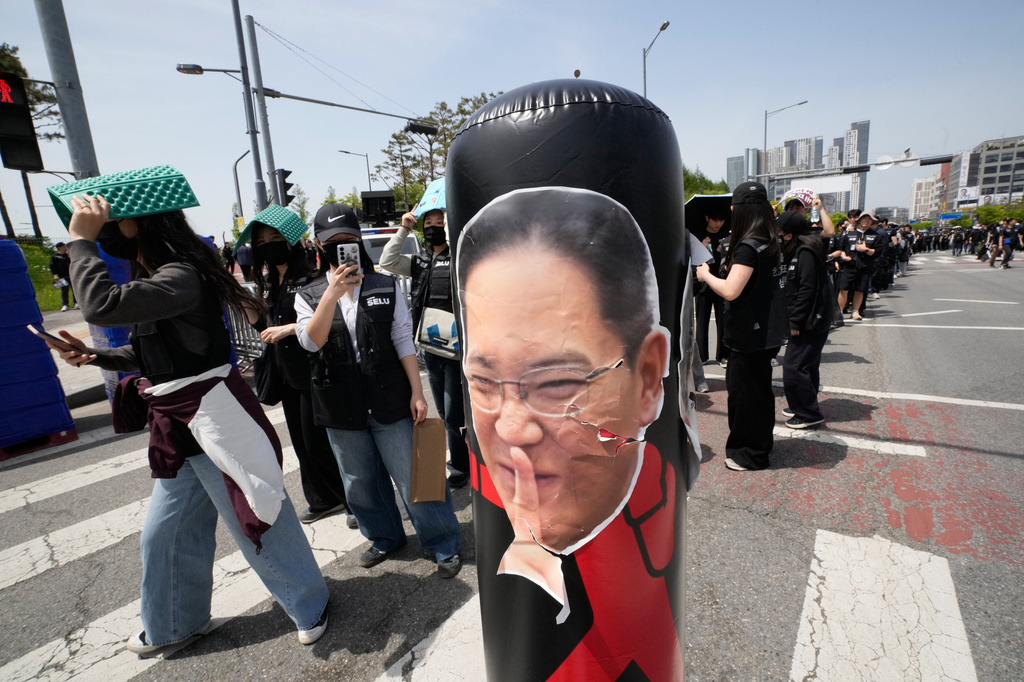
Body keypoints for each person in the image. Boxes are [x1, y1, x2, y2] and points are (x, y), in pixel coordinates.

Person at [44, 177, 329, 657]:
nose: (109, 228)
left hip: (215, 418)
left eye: (115, 220)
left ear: (142, 223)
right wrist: (94, 358)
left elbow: (99, 304)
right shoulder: (158, 279)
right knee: (165, 536)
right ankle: (175, 623)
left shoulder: (180, 276)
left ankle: (311, 603)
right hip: (177, 424)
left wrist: (80, 242)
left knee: (258, 517)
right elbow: (146, 353)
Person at [456, 186, 683, 680]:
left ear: (647, 377)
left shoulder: (657, 501)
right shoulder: (490, 495)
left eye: (558, 383)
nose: (513, 430)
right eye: (483, 382)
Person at [294, 203, 463, 579]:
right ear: (319, 247)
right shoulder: (308, 294)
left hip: (389, 396)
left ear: (359, 241)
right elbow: (310, 342)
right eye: (332, 243)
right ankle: (385, 537)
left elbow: (402, 337)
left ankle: (443, 540)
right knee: (359, 482)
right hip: (340, 405)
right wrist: (332, 294)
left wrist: (418, 393)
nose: (342, 249)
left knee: (414, 474)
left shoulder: (385, 284)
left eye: (348, 241)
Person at [237, 204, 354, 527]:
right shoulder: (271, 280)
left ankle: (351, 500)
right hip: (286, 373)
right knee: (302, 444)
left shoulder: (310, 276)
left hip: (312, 369)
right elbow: (264, 322)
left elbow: (325, 320)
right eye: (261, 242)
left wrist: (288, 329)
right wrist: (248, 306)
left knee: (319, 442)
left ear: (290, 238)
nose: (268, 245)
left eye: (274, 237)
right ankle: (321, 499)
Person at [696, 182, 788, 471]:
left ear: (744, 210)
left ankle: (749, 453)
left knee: (745, 396)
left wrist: (705, 275)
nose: (731, 211)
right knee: (760, 393)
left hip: (749, 332)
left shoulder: (748, 246)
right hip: (766, 330)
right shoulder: (769, 240)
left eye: (734, 207)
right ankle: (760, 445)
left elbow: (731, 290)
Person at [379, 208, 470, 489]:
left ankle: (461, 465)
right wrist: (404, 228)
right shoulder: (418, 260)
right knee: (443, 411)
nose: (433, 227)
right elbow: (387, 261)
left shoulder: (458, 257)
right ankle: (459, 460)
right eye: (428, 223)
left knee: (454, 412)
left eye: (439, 223)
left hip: (456, 349)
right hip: (430, 348)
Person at [777, 211, 832, 429]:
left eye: (780, 233)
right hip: (811, 318)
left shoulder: (806, 251)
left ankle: (809, 413)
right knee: (807, 365)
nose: (778, 237)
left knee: (794, 367)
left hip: (809, 320)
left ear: (789, 235)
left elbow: (807, 289)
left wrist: (796, 322)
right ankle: (801, 404)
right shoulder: (800, 249)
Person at [692, 205, 730, 368]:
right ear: (707, 218)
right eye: (715, 220)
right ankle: (702, 355)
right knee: (702, 320)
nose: (718, 224)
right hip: (703, 284)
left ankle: (723, 355)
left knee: (722, 320)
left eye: (721, 220)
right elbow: (690, 259)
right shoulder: (698, 235)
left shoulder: (727, 236)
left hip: (721, 282)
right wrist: (701, 245)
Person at [49, 241, 75, 310]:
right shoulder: (54, 257)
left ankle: (76, 302)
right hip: (62, 276)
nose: (65, 247)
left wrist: (69, 255)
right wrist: (55, 274)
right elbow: (52, 266)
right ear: (59, 247)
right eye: (64, 246)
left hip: (71, 274)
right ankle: (65, 304)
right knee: (64, 290)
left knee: (75, 289)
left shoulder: (68, 255)